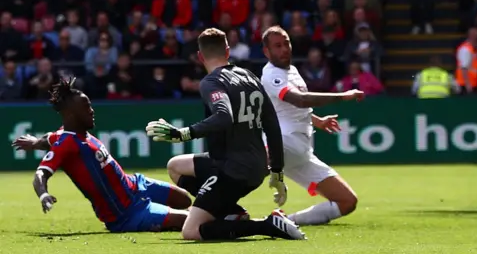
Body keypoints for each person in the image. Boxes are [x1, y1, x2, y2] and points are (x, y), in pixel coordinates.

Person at [144, 28, 305, 241]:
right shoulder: (249, 76)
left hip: (233, 171)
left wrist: (182, 134)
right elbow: (272, 125)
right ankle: (231, 213)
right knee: (175, 166)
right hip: (253, 166)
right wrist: (277, 173)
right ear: (228, 52)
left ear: (200, 56)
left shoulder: (211, 82)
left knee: (191, 232)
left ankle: (265, 225)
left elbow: (223, 116)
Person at [16, 77, 191, 233]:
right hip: (126, 214)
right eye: (85, 108)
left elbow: (48, 138)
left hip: (136, 186)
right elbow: (40, 174)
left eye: (90, 105)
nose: (91, 111)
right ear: (70, 114)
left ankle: (165, 218)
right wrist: (43, 194)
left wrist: (35, 142)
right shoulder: (66, 144)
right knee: (190, 220)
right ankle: (164, 221)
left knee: (185, 200)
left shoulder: (69, 134)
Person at [260, 25, 362, 226]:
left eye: (286, 43)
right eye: (277, 46)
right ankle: (212, 206)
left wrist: (318, 121)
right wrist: (343, 96)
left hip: (302, 154)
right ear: (266, 51)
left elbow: (295, 109)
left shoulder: (293, 70)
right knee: (245, 168)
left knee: (347, 201)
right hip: (283, 144)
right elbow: (300, 100)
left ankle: (285, 221)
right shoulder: (271, 75)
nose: (284, 49)